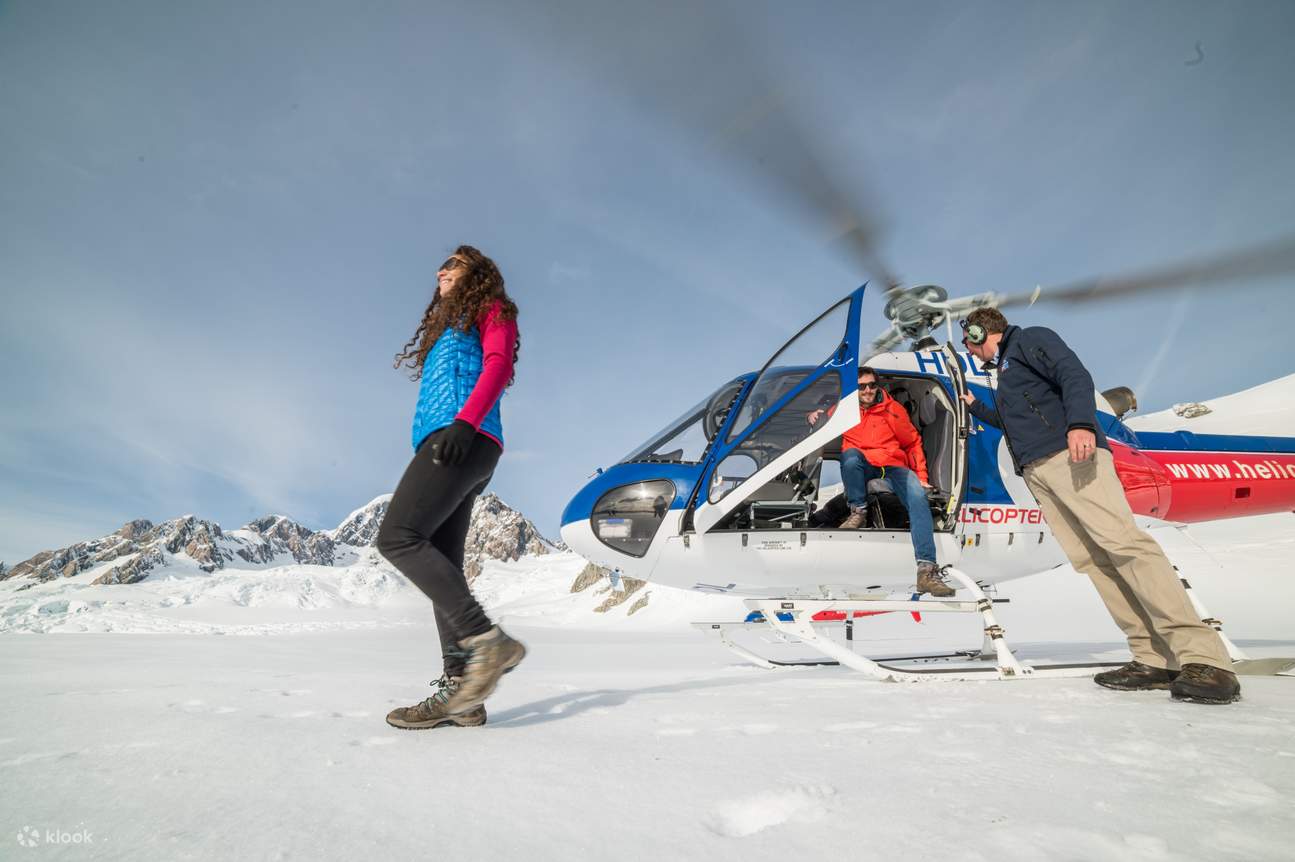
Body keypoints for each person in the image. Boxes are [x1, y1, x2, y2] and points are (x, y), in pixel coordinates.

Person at [958, 307, 1240, 704]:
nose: (970, 352)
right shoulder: (1005, 371)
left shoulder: (1030, 339)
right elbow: (1015, 419)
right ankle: (1153, 658)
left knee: (1125, 546)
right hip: (1038, 470)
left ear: (978, 332)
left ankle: (1206, 659)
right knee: (1093, 560)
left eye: (969, 342)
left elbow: (1074, 375)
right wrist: (975, 406)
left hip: (1068, 456)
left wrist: (1080, 424)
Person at [378, 245, 527, 729]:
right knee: (442, 562)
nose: (440, 271)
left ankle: (486, 640)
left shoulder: (493, 308)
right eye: (441, 266)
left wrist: (464, 423)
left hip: (463, 438)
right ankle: (463, 693)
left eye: (453, 265)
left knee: (398, 537)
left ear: (476, 274)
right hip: (451, 440)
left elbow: (498, 365)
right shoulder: (447, 328)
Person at [808, 367, 952, 597]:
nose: (867, 390)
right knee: (850, 457)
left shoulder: (893, 410)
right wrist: (814, 416)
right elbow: (823, 419)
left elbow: (912, 443)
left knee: (917, 497)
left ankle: (926, 570)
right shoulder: (843, 410)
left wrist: (922, 477)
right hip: (864, 466)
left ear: (877, 386)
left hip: (893, 467)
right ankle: (858, 511)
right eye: (861, 386)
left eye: (872, 385)